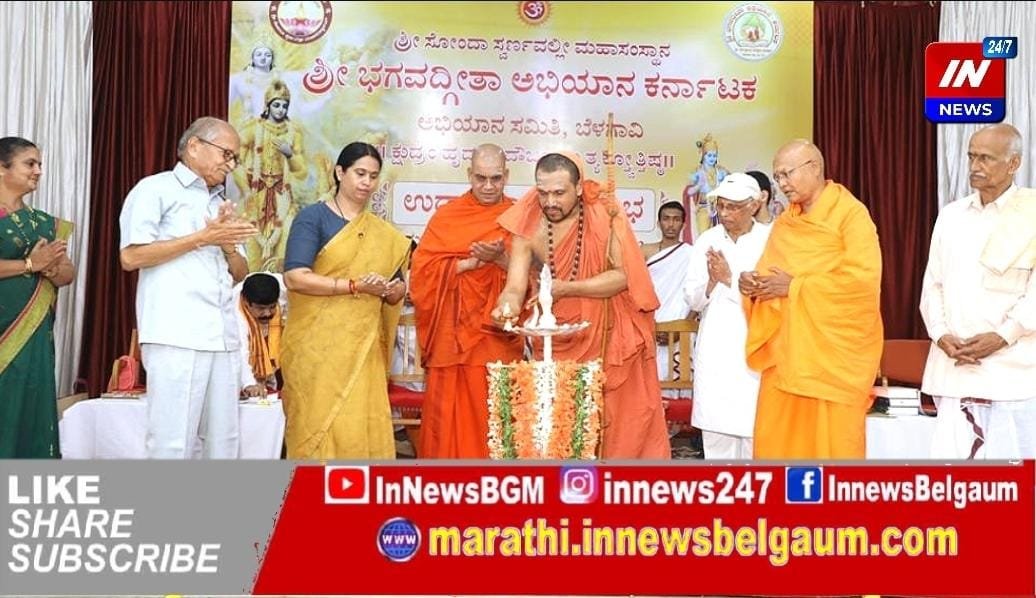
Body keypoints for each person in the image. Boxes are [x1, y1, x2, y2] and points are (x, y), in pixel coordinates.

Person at [491, 152, 671, 459]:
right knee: (561, 429)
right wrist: (505, 308)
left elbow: (624, 277)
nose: (550, 202)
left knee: (620, 431)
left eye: (559, 193)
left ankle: (616, 488)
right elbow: (515, 287)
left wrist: (568, 288)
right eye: (543, 192)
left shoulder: (606, 214)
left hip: (610, 337)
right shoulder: (528, 224)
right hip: (556, 341)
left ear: (578, 188)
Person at [119, 117, 257, 459]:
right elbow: (131, 256)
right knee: (172, 442)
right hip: (176, 334)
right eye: (226, 154)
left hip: (222, 336)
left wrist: (227, 246)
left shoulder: (221, 203)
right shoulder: (155, 189)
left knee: (224, 443)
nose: (231, 165)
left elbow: (240, 272)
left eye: (235, 158)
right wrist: (202, 238)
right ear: (194, 146)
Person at [740, 139, 882, 459]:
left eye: (786, 174)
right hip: (787, 358)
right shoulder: (785, 223)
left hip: (833, 363)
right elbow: (770, 275)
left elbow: (862, 284)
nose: (782, 184)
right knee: (779, 447)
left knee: (834, 450)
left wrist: (795, 287)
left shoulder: (851, 214)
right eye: (777, 177)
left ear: (814, 168)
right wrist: (753, 286)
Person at [280, 142, 410, 459]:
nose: (367, 182)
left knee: (359, 428)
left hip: (362, 349)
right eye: (360, 173)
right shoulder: (313, 218)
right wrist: (353, 286)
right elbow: (295, 277)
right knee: (316, 427)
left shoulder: (383, 234)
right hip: (316, 349)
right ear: (340, 173)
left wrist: (387, 290)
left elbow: (398, 291)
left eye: (373, 176)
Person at [920, 123, 1036, 459]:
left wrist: (1002, 336)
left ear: (1014, 163)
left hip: (1012, 370)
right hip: (954, 366)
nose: (974, 166)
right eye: (971, 156)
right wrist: (941, 335)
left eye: (986, 158)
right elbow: (933, 285)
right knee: (955, 472)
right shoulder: (951, 216)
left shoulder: (1031, 213)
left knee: (1014, 474)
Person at [410, 144, 525, 458]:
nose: (488, 186)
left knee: (496, 414)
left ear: (507, 176)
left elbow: (537, 275)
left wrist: (501, 259)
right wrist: (467, 264)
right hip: (453, 337)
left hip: (497, 335)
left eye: (496, 178)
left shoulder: (520, 218)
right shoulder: (447, 216)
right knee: (449, 419)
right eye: (480, 178)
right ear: (469, 174)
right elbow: (420, 274)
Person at [684, 173, 771, 459]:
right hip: (715, 348)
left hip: (754, 348)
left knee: (755, 440)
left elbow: (773, 296)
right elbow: (693, 299)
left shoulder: (770, 240)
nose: (724, 213)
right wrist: (711, 281)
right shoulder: (708, 240)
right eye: (720, 206)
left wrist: (729, 279)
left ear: (754, 205)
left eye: (733, 207)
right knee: (716, 441)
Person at [0, 137, 75, 458]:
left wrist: (51, 268)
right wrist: (31, 264)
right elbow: (34, 264)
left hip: (34, 338)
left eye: (40, 164)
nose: (38, 171)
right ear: (2, 168)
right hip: (5, 329)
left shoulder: (43, 223)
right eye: (29, 163)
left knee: (31, 406)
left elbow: (67, 274)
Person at [234, 79, 308, 272]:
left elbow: (301, 171)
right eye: (276, 105)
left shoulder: (293, 133)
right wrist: (246, 191)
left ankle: (279, 286)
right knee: (251, 246)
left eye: (284, 106)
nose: (281, 110)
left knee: (284, 243)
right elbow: (236, 163)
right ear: (267, 105)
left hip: (282, 197)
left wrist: (289, 154)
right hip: (255, 195)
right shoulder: (252, 129)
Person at [641, 200, 694, 401]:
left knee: (679, 385)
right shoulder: (644, 252)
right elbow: (635, 290)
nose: (671, 224)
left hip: (681, 330)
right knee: (648, 386)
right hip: (649, 327)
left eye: (676, 219)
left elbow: (698, 295)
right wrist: (648, 325)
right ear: (659, 223)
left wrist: (684, 326)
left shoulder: (692, 254)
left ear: (683, 224)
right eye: (666, 219)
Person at [234, 272, 287, 398]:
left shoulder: (284, 289)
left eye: (272, 307)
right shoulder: (236, 315)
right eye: (261, 308)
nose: (267, 313)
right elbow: (241, 352)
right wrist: (249, 384)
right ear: (246, 302)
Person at [684, 133, 729, 241]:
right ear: (703, 156)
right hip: (703, 208)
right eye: (709, 156)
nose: (712, 158)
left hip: (719, 209)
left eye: (714, 156)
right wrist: (699, 185)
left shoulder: (721, 171)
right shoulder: (697, 172)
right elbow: (689, 192)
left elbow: (732, 183)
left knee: (721, 238)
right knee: (704, 238)